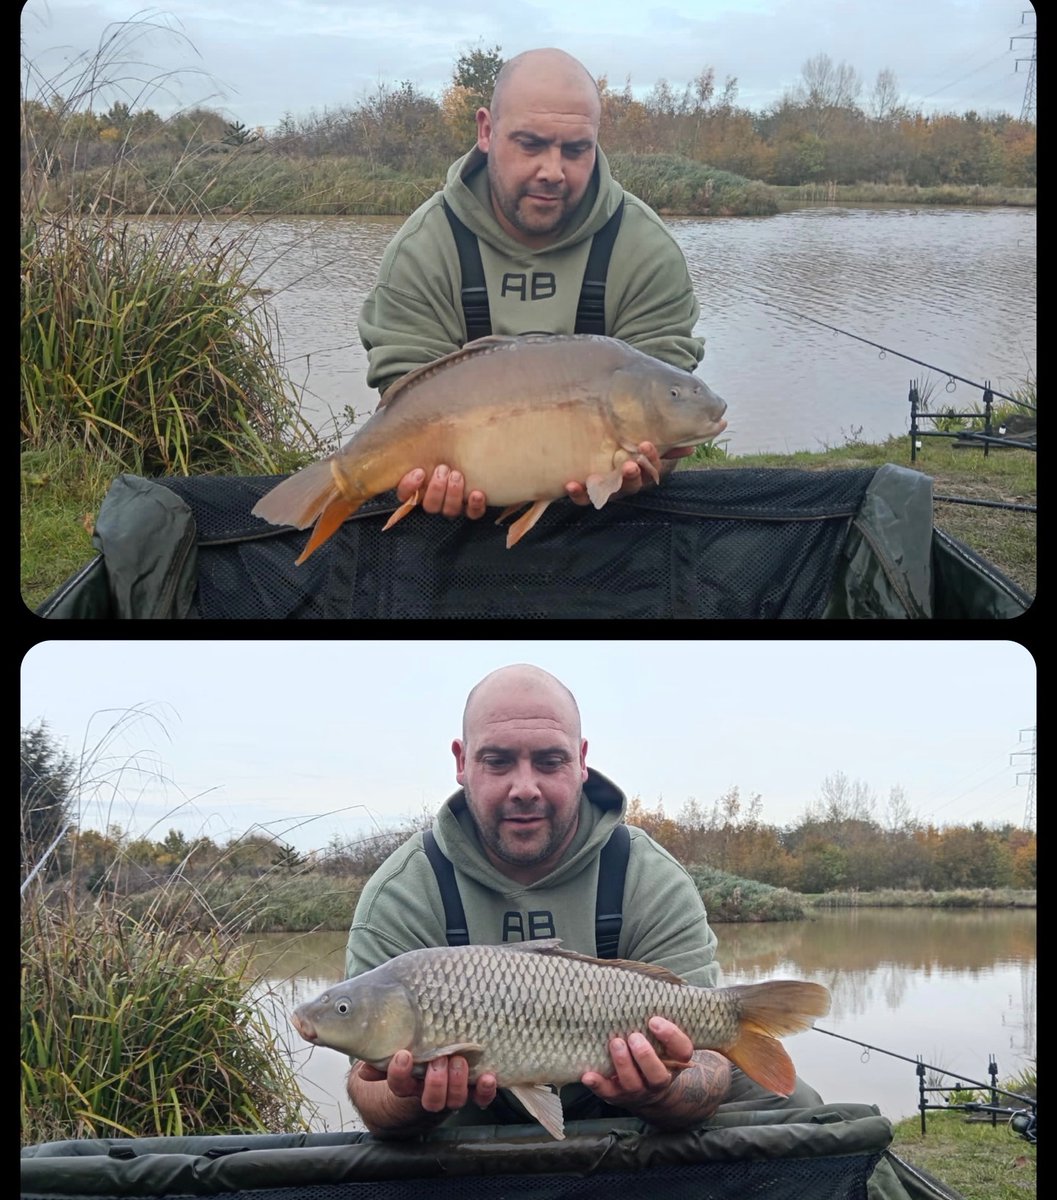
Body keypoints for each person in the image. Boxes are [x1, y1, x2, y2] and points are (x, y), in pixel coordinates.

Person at [344, 664, 822, 1138]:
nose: (525, 788)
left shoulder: (647, 875)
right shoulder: (403, 893)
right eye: (498, 760)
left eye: (550, 761)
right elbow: (367, 1091)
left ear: (580, 759)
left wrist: (661, 1091)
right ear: (462, 762)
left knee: (798, 1107)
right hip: (468, 1122)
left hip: (626, 1112)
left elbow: (709, 1065)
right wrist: (411, 1101)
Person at [356, 47, 705, 528]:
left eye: (576, 149)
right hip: (458, 522)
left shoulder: (646, 249)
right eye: (531, 143)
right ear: (486, 131)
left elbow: (667, 407)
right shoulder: (423, 249)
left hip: (610, 528)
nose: (553, 170)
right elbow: (405, 398)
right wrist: (424, 478)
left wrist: (651, 466)